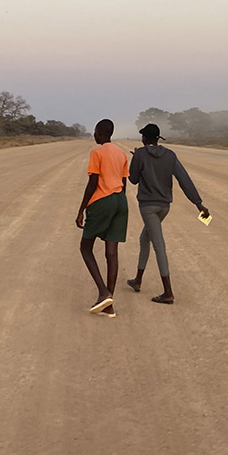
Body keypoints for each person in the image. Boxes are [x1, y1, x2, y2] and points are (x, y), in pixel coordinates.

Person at [126, 123, 210, 305]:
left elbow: (133, 180)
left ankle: (168, 292)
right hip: (164, 206)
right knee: (144, 239)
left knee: (159, 246)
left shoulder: (140, 154)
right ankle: (137, 280)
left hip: (147, 206)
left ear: (145, 138)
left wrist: (137, 161)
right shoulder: (170, 155)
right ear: (158, 138)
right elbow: (184, 179)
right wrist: (198, 203)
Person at [75, 119, 129, 318]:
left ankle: (103, 291)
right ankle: (108, 304)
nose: (94, 135)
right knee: (111, 252)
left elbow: (93, 183)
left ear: (100, 133)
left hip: (102, 201)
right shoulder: (121, 153)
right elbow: (124, 183)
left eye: (95, 132)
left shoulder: (97, 153)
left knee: (85, 247)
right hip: (121, 201)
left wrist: (81, 209)